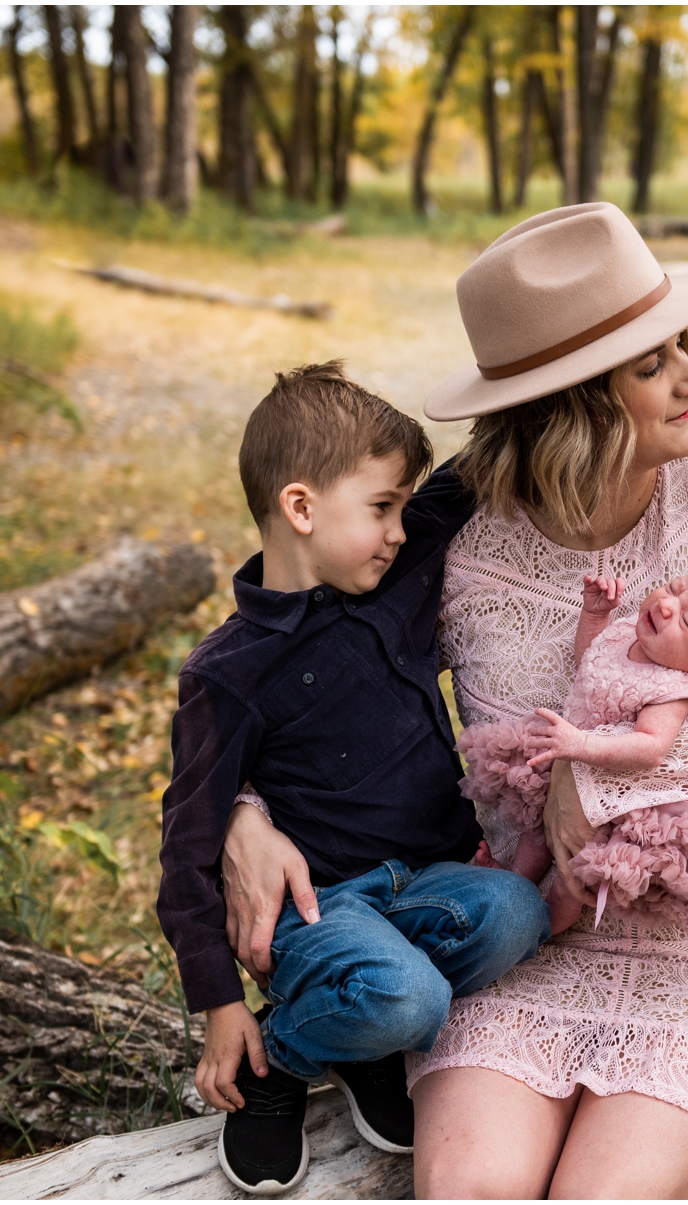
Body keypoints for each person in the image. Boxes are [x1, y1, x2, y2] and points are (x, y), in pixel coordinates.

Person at [219, 203, 688, 1196]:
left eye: (678, 345)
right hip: (521, 940)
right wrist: (242, 807)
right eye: (654, 363)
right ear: (574, 404)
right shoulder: (461, 555)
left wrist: (581, 780)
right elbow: (292, 654)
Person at [155, 363, 551, 1195]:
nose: (402, 529)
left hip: (426, 885)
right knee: (410, 1002)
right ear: (300, 508)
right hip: (319, 904)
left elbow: (470, 472)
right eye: (381, 508)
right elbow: (187, 845)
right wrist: (221, 1005)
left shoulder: (392, 578)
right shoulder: (227, 674)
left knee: (518, 912)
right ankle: (282, 1057)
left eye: (402, 507)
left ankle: (357, 1027)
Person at [462, 567, 688, 937]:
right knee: (541, 829)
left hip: (618, 803)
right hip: (570, 756)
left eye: (684, 619)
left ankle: (545, 926)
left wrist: (581, 745)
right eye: (674, 588)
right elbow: (591, 660)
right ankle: (514, 885)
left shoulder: (673, 687)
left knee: (577, 870)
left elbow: (650, 748)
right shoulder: (625, 635)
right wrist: (595, 615)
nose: (666, 605)